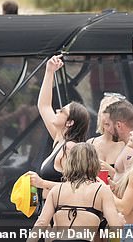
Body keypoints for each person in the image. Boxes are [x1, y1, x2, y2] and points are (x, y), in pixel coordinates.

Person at [28, 143, 123, 242]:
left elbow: (41, 223)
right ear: (94, 164)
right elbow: (115, 227)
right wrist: (119, 221)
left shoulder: (57, 190)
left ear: (69, 163)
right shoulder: (101, 190)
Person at [29, 55, 90, 197]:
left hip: (64, 213)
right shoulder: (60, 139)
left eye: (62, 111)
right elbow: (44, 105)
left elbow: (79, 187)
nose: (57, 110)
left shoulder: (71, 147)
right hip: (50, 211)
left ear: (70, 122)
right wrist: (49, 71)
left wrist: (42, 183)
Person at [102, 99, 133, 181]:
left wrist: (110, 171)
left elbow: (132, 182)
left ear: (119, 125)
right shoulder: (131, 145)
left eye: (108, 125)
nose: (106, 129)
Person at [86, 93, 126, 168]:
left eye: (112, 114)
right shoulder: (90, 143)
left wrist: (112, 172)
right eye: (104, 112)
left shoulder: (126, 145)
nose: (107, 118)